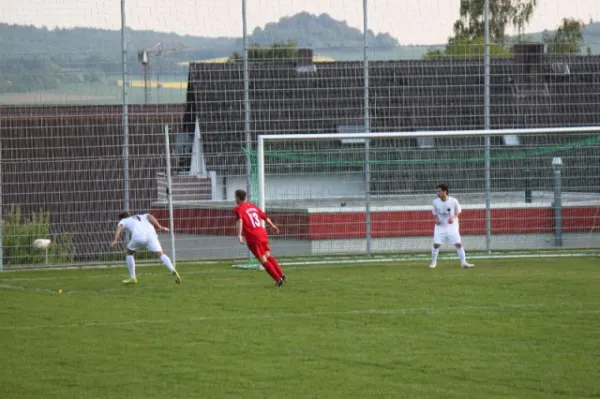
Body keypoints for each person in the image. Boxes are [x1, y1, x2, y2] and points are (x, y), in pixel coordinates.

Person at [111, 211, 181, 284]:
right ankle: (172, 269)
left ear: (121, 218)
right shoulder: (141, 216)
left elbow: (119, 229)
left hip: (139, 237)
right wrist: (160, 226)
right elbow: (150, 216)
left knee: (129, 252)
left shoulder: (123, 220)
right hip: (151, 235)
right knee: (161, 254)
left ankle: (132, 278)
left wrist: (115, 240)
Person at [234, 189, 286, 286]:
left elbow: (240, 221)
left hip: (253, 237)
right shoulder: (253, 206)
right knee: (268, 255)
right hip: (262, 233)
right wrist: (272, 225)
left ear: (237, 198)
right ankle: (281, 274)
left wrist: (239, 235)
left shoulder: (239, 209)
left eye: (235, 197)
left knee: (263, 260)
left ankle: (278, 280)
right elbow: (265, 217)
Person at [429, 184, 474, 269]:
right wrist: (436, 220)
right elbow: (434, 213)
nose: (437, 193)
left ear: (445, 191)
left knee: (458, 244)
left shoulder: (453, 201)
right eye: (437, 191)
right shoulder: (435, 202)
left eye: (439, 191)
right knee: (436, 244)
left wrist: (453, 218)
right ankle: (433, 262)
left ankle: (463, 262)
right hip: (440, 226)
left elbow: (458, 211)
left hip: (451, 226)